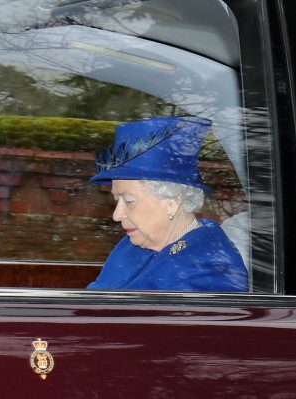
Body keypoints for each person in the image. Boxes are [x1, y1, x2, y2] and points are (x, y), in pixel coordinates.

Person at [87, 116, 248, 292]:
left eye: (129, 201)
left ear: (172, 201)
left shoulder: (210, 270)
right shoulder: (131, 245)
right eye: (117, 200)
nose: (117, 215)